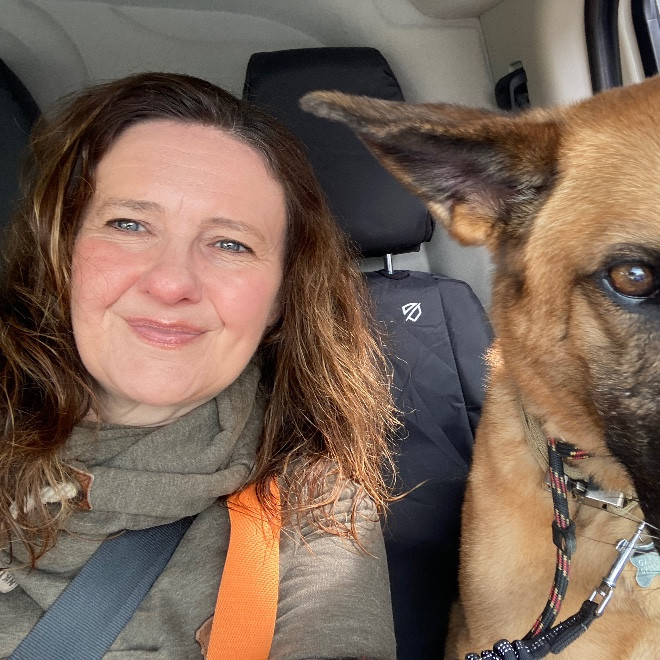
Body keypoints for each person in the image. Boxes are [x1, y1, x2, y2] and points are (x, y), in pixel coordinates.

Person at [0, 72, 398, 659]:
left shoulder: (313, 504)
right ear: (60, 252)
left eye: (230, 244)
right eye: (129, 225)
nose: (171, 283)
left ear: (281, 297)